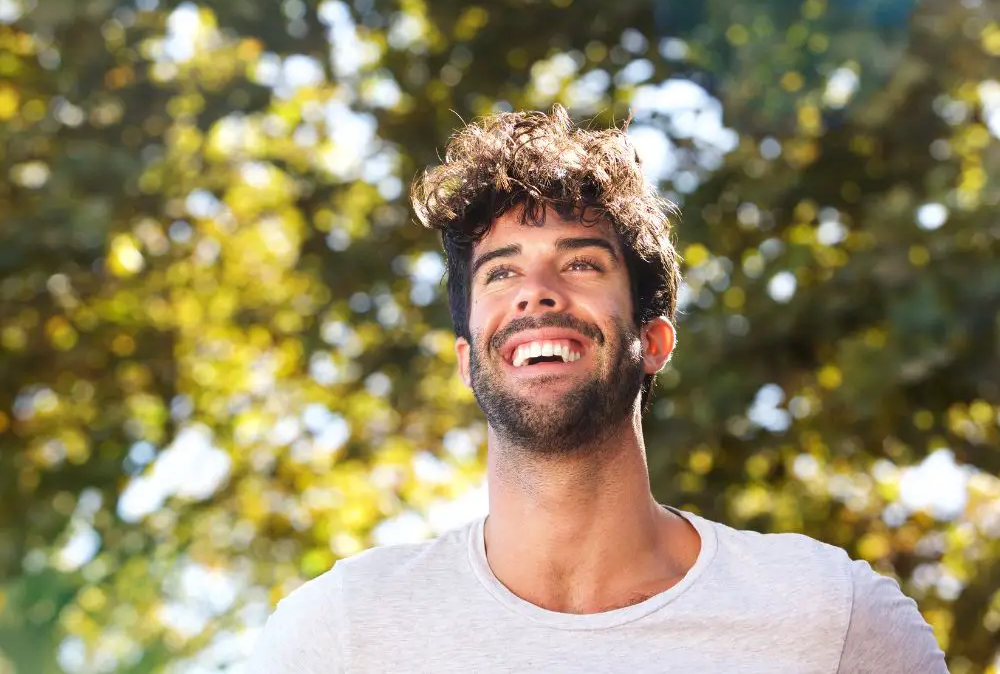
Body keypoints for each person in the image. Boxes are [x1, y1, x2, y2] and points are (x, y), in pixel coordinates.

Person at [248, 106, 948, 673]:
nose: (537, 295)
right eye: (501, 273)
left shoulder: (829, 619)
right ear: (466, 360)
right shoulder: (342, 634)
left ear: (655, 342)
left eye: (580, 264)